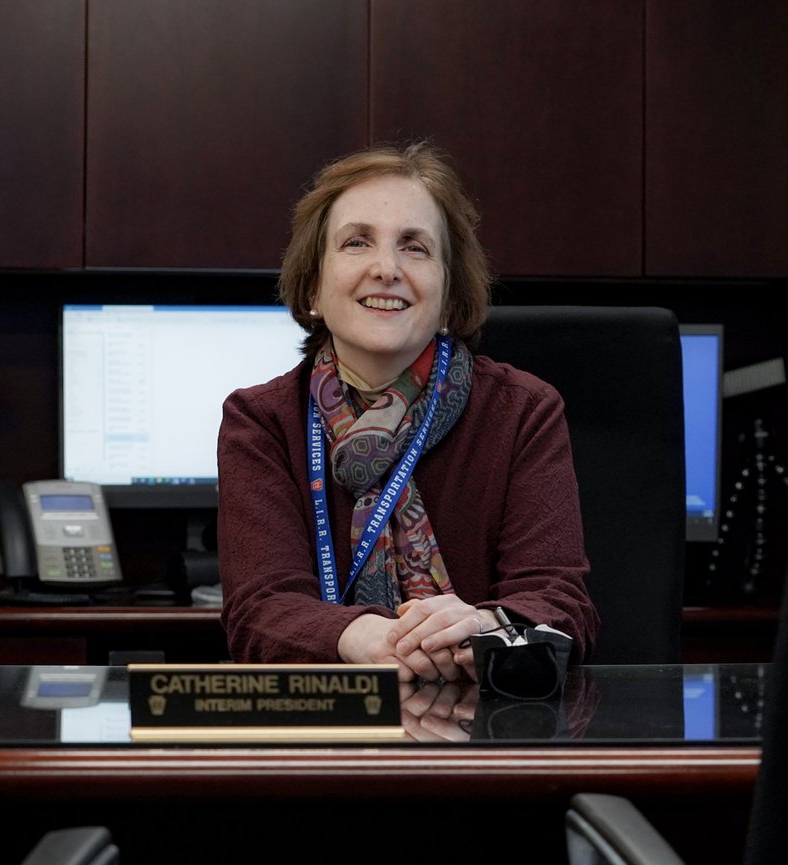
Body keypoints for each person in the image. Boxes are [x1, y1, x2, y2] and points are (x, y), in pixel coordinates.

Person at [216, 141, 599, 682]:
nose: (386, 269)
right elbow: (261, 610)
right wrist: (369, 639)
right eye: (356, 243)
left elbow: (558, 602)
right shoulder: (262, 421)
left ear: (448, 297)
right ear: (311, 291)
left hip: (487, 729)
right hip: (330, 732)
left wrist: (482, 626)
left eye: (415, 248)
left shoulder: (523, 411)